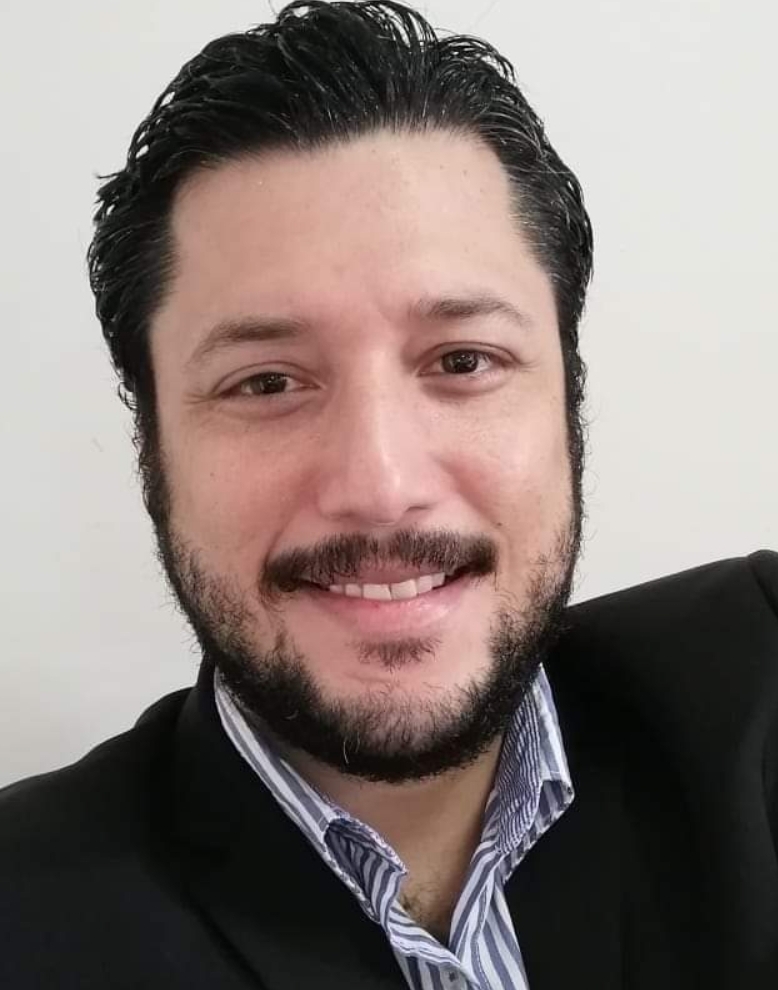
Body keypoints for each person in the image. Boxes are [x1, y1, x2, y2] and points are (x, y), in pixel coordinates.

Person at [1, 2, 776, 987]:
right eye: (266, 382)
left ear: (568, 399)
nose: (380, 487)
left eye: (463, 360)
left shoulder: (761, 675)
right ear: (150, 443)